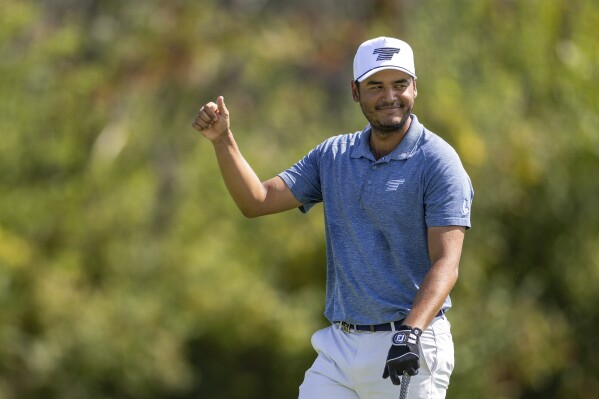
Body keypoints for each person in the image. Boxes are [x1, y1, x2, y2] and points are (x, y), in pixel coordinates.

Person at [192, 36, 473, 399]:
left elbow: (447, 263)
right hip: (339, 347)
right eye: (376, 86)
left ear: (415, 88)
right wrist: (222, 139)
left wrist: (411, 330)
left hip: (408, 342)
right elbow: (256, 201)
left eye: (400, 84)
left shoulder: (438, 161)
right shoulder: (334, 155)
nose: (390, 96)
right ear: (355, 92)